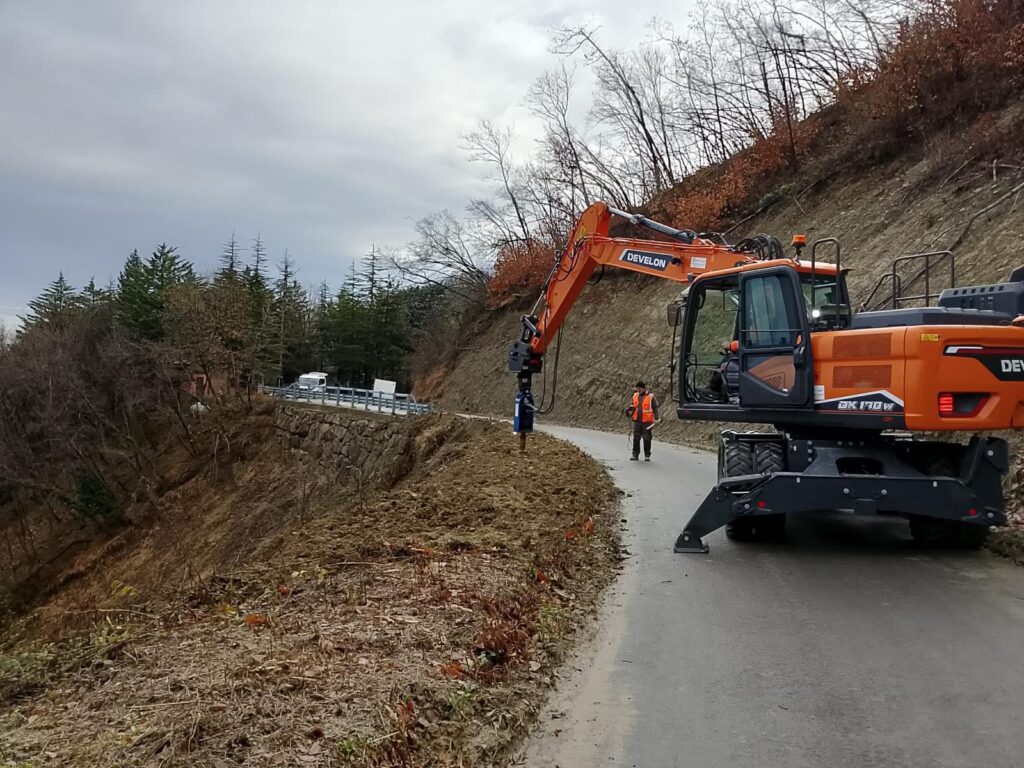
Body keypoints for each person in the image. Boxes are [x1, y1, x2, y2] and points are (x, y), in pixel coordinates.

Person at [626, 380, 660, 461]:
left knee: (647, 438)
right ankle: (635, 454)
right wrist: (629, 409)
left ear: (644, 388)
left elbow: (655, 408)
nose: (638, 390)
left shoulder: (651, 396)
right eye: (637, 388)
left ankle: (647, 455)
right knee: (636, 438)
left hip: (647, 422)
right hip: (637, 421)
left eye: (639, 388)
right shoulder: (635, 395)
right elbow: (633, 405)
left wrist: (656, 418)